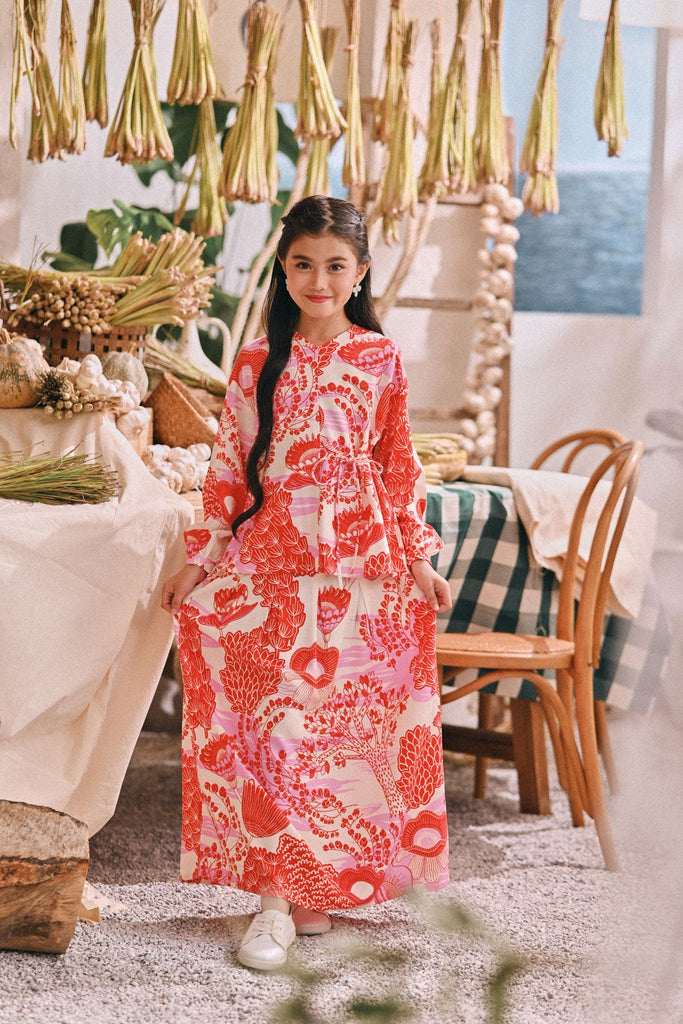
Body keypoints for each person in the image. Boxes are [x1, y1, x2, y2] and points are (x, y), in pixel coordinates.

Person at [162, 195, 452, 972]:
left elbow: (399, 467)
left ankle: (311, 887)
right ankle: (272, 901)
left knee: (336, 738)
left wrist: (420, 558)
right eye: (301, 264)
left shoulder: (380, 358)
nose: (317, 280)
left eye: (333, 266)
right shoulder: (257, 360)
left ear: (359, 273)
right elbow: (230, 466)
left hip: (364, 568)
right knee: (274, 728)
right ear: (283, 269)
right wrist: (200, 557)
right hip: (270, 565)